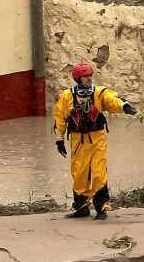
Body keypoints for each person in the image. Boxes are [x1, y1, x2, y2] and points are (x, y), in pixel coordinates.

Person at [53, 63, 136, 220]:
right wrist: (59, 140)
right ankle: (81, 207)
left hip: (97, 137)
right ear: (78, 79)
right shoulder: (67, 96)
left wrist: (125, 107)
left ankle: (101, 208)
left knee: (99, 172)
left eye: (90, 76)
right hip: (78, 139)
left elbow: (112, 100)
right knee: (79, 173)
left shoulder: (99, 93)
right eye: (86, 76)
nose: (89, 78)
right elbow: (60, 118)